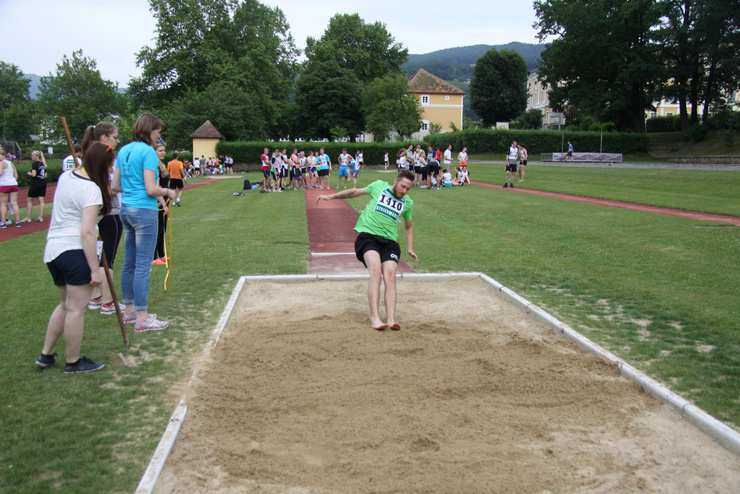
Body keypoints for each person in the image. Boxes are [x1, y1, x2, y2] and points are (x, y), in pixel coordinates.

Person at [35, 143, 114, 373]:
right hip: (75, 251)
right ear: (101, 164)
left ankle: (46, 354)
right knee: (76, 310)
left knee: (65, 305)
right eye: (110, 166)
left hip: (54, 250)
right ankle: (73, 362)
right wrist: (94, 269)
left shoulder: (66, 177)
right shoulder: (91, 189)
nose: (111, 170)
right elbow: (87, 232)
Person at [316, 169, 418, 331]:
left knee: (390, 275)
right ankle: (375, 318)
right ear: (396, 181)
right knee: (376, 271)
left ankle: (391, 320)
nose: (404, 191)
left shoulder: (407, 203)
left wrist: (410, 248)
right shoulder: (378, 186)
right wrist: (331, 197)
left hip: (389, 243)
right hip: (368, 237)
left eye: (408, 189)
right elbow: (355, 192)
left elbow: (408, 226)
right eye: (403, 186)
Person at [113, 113, 176, 332]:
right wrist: (167, 191)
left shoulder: (124, 150)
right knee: (142, 264)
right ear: (149, 130)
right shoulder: (148, 152)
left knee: (129, 262)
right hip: (144, 212)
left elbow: (115, 185)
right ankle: (142, 317)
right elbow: (151, 189)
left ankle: (130, 310)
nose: (159, 136)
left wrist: (133, 188)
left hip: (126, 210)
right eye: (157, 131)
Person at [80, 122, 123, 315]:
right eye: (115, 137)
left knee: (97, 256)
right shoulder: (104, 157)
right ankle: (108, 302)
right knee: (108, 259)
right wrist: (123, 185)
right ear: (104, 137)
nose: (117, 141)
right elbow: (106, 189)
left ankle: (96, 297)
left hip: (95, 215)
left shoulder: (89, 156)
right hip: (108, 214)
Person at [153, 140, 170, 265]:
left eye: (164, 150)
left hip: (164, 199)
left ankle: (161, 253)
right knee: (157, 228)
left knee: (162, 228)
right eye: (160, 151)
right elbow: (157, 186)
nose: (163, 153)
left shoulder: (161, 165)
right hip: (158, 201)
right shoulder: (154, 166)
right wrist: (163, 204)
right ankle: (153, 256)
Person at [24, 150, 48, 223]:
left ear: (37, 156)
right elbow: (45, 176)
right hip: (42, 183)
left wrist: (29, 173)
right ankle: (40, 216)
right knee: (41, 200)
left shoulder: (35, 164)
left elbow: (33, 174)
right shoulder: (43, 164)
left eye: (33, 155)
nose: (32, 157)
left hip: (35, 183)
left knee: (29, 200)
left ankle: (28, 217)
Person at [0, 149, 21, 228]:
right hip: (13, 184)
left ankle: (3, 222)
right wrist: (13, 180)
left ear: (3, 155)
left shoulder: (1, 163)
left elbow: (0, 173)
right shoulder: (11, 163)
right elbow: (16, 175)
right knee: (14, 203)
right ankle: (18, 221)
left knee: (3, 204)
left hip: (4, 184)